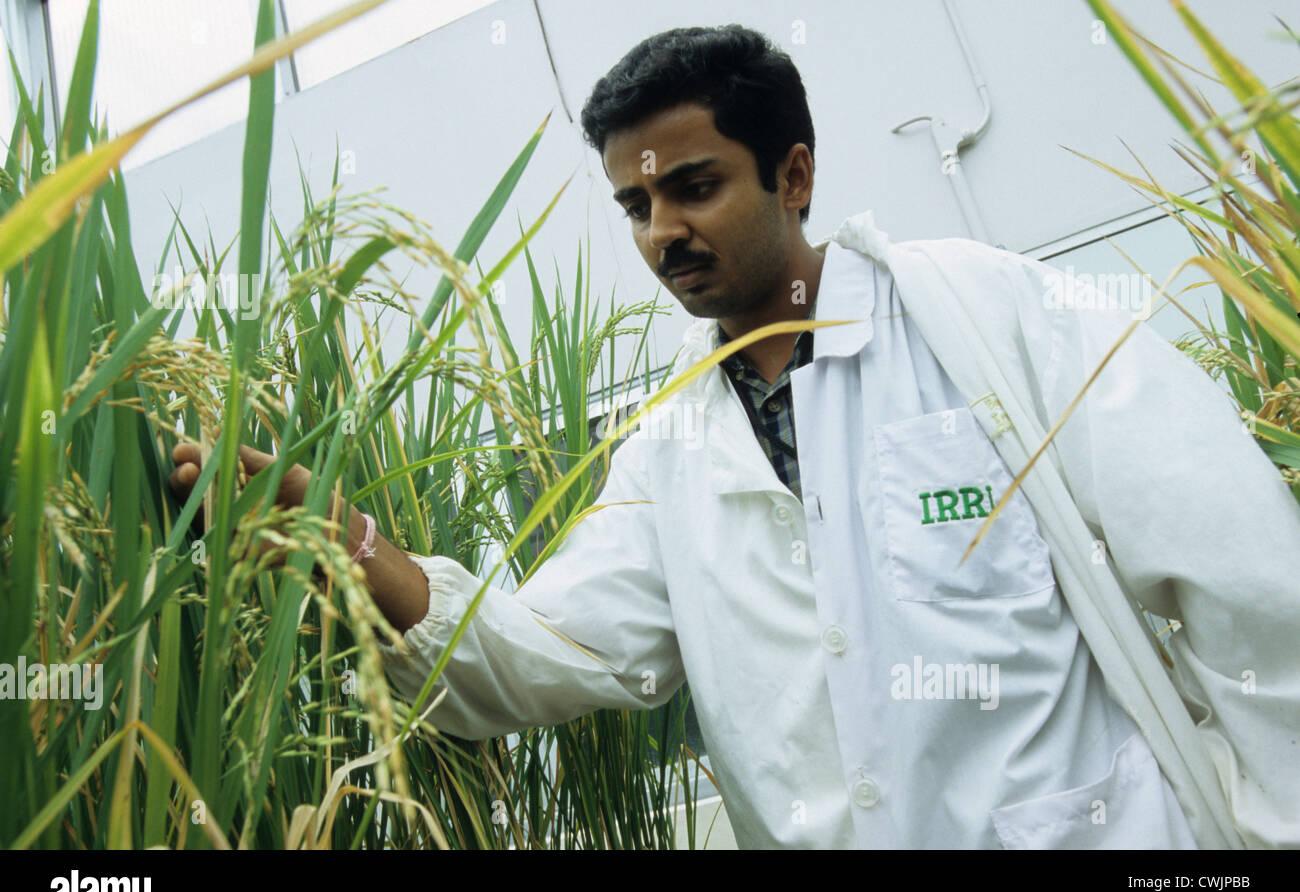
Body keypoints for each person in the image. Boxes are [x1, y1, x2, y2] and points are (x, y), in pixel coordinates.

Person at [170, 24, 1300, 849]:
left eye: (695, 187)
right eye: (635, 207)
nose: (664, 233)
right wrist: (352, 545)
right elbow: (550, 655)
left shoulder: (985, 319)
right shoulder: (669, 450)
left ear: (793, 173)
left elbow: (1248, 579)